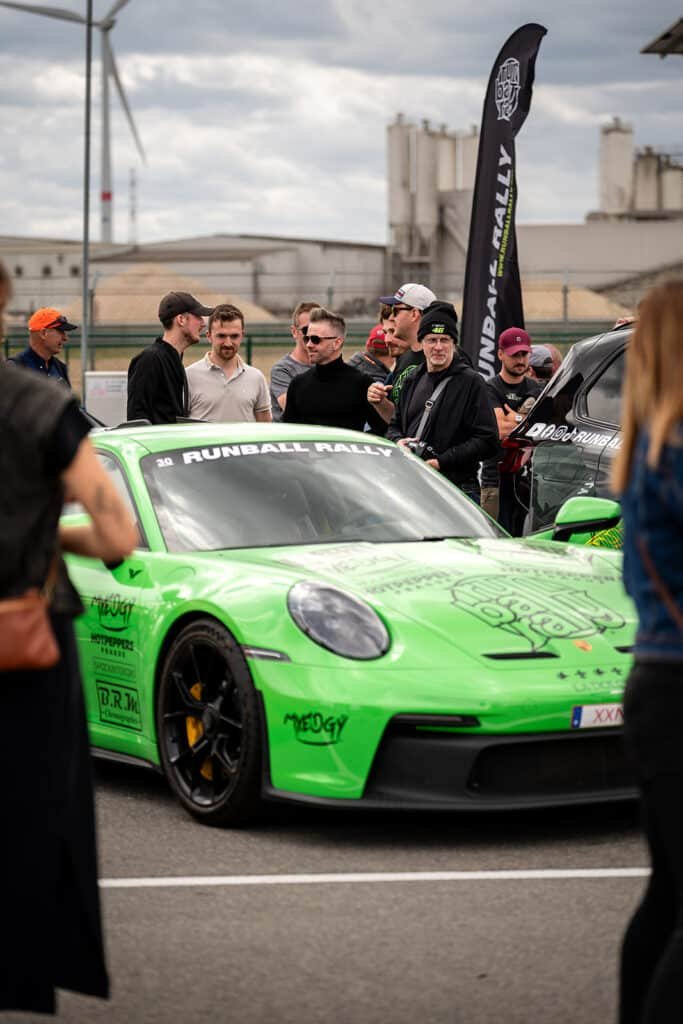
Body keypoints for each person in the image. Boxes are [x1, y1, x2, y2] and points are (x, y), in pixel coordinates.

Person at [0, 263, 138, 1015]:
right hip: (25, 640)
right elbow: (117, 534)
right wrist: (42, 527)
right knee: (29, 813)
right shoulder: (40, 404)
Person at [613, 280, 683, 1024]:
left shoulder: (646, 449)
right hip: (675, 687)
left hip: (657, 685)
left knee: (668, 891)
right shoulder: (675, 452)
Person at [386, 301, 498, 503]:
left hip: (458, 488)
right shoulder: (412, 379)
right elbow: (395, 425)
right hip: (416, 483)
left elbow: (487, 440)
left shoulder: (471, 382)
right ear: (421, 343)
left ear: (453, 343)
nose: (438, 347)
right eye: (432, 340)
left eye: (444, 340)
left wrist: (441, 462)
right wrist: (397, 442)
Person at [282, 306, 386, 433]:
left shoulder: (362, 384)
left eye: (315, 339)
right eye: (306, 338)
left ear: (337, 343)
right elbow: (288, 433)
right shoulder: (298, 384)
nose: (309, 345)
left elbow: (382, 430)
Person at [480, 327, 542, 532]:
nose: (521, 359)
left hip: (529, 482)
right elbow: (500, 429)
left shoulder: (537, 389)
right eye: (514, 354)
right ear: (500, 354)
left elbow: (544, 428)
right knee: (494, 538)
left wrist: (514, 417)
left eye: (524, 354)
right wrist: (526, 420)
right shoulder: (489, 388)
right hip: (495, 480)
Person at [127, 290, 213, 424]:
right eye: (198, 317)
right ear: (181, 320)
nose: (203, 323)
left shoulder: (172, 359)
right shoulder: (150, 360)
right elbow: (137, 419)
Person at [186, 303, 271, 422]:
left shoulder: (256, 378)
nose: (228, 343)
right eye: (221, 336)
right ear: (209, 336)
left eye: (234, 336)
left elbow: (265, 428)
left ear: (242, 336)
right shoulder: (188, 377)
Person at [369, 283, 437, 425]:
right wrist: (380, 401)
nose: (393, 318)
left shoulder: (442, 357)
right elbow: (398, 421)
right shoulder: (406, 358)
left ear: (414, 314)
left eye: (396, 311)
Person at [269, 300, 318, 421]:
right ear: (294, 332)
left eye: (317, 329)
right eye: (306, 330)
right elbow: (294, 409)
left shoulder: (329, 366)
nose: (312, 335)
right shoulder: (282, 370)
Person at [8, 307, 78, 386]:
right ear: (43, 333)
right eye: (61, 331)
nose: (65, 338)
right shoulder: (15, 368)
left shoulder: (60, 367)